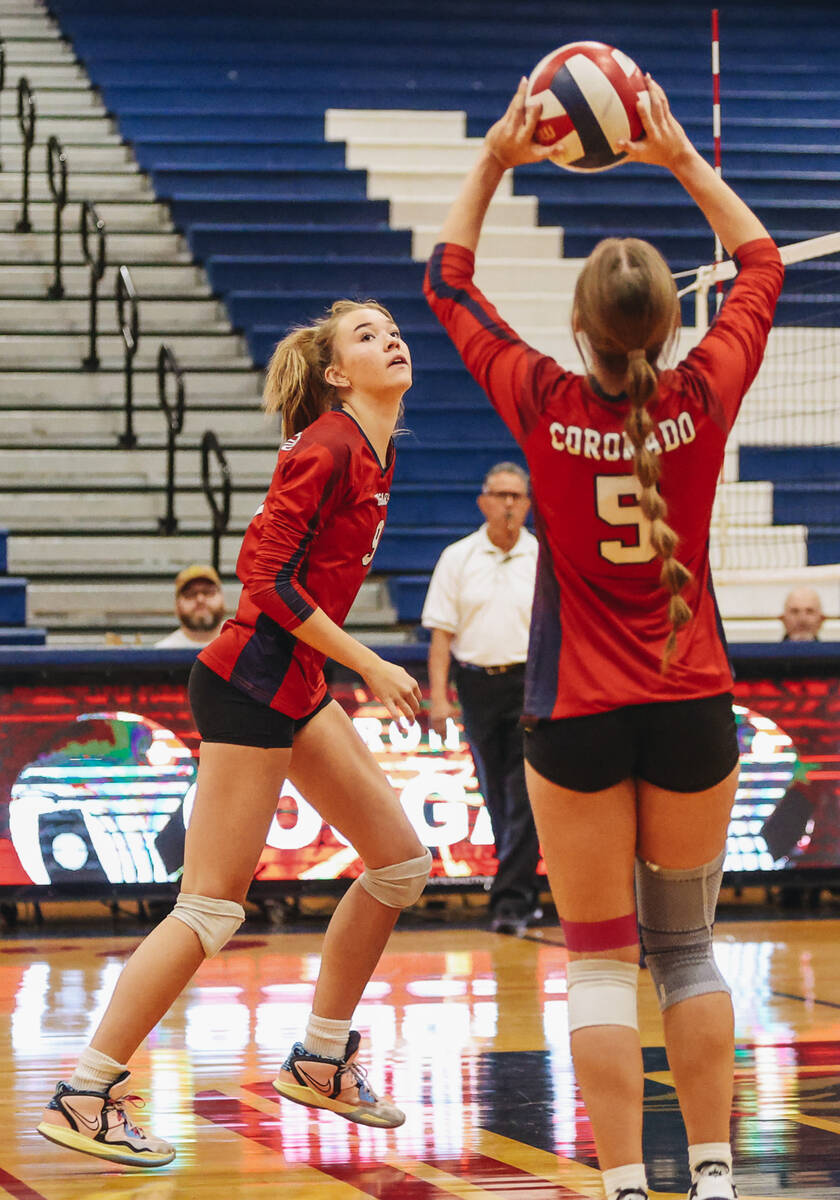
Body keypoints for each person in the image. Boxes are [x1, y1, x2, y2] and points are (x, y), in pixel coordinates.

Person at [424, 77, 783, 1200]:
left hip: (574, 718)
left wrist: (493, 160)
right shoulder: (711, 388)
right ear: (670, 322)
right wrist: (678, 156)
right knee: (688, 953)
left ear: (577, 328)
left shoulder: (538, 396)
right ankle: (717, 1178)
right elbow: (762, 262)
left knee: (599, 965)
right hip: (690, 709)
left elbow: (446, 282)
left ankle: (626, 1182)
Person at [38, 300, 432, 1166]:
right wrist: (367, 661)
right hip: (250, 683)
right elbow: (264, 579)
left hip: (291, 687)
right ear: (336, 373)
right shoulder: (330, 443)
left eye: (392, 328)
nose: (389, 338)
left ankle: (323, 1059)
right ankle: (84, 1091)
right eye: (365, 336)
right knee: (211, 908)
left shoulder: (379, 446)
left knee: (401, 865)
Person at [422, 461, 542, 934]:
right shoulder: (458, 557)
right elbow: (440, 637)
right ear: (483, 501)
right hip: (476, 685)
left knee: (524, 795)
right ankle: (522, 894)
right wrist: (439, 698)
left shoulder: (542, 558)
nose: (510, 504)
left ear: (529, 504)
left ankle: (510, 902)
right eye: (501, 495)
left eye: (518, 496)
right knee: (495, 793)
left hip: (530, 685)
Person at [154, 563, 226, 648]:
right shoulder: (163, 653)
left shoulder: (242, 648)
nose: (200, 600)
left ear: (222, 598)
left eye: (208, 592)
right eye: (190, 594)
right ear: (177, 605)